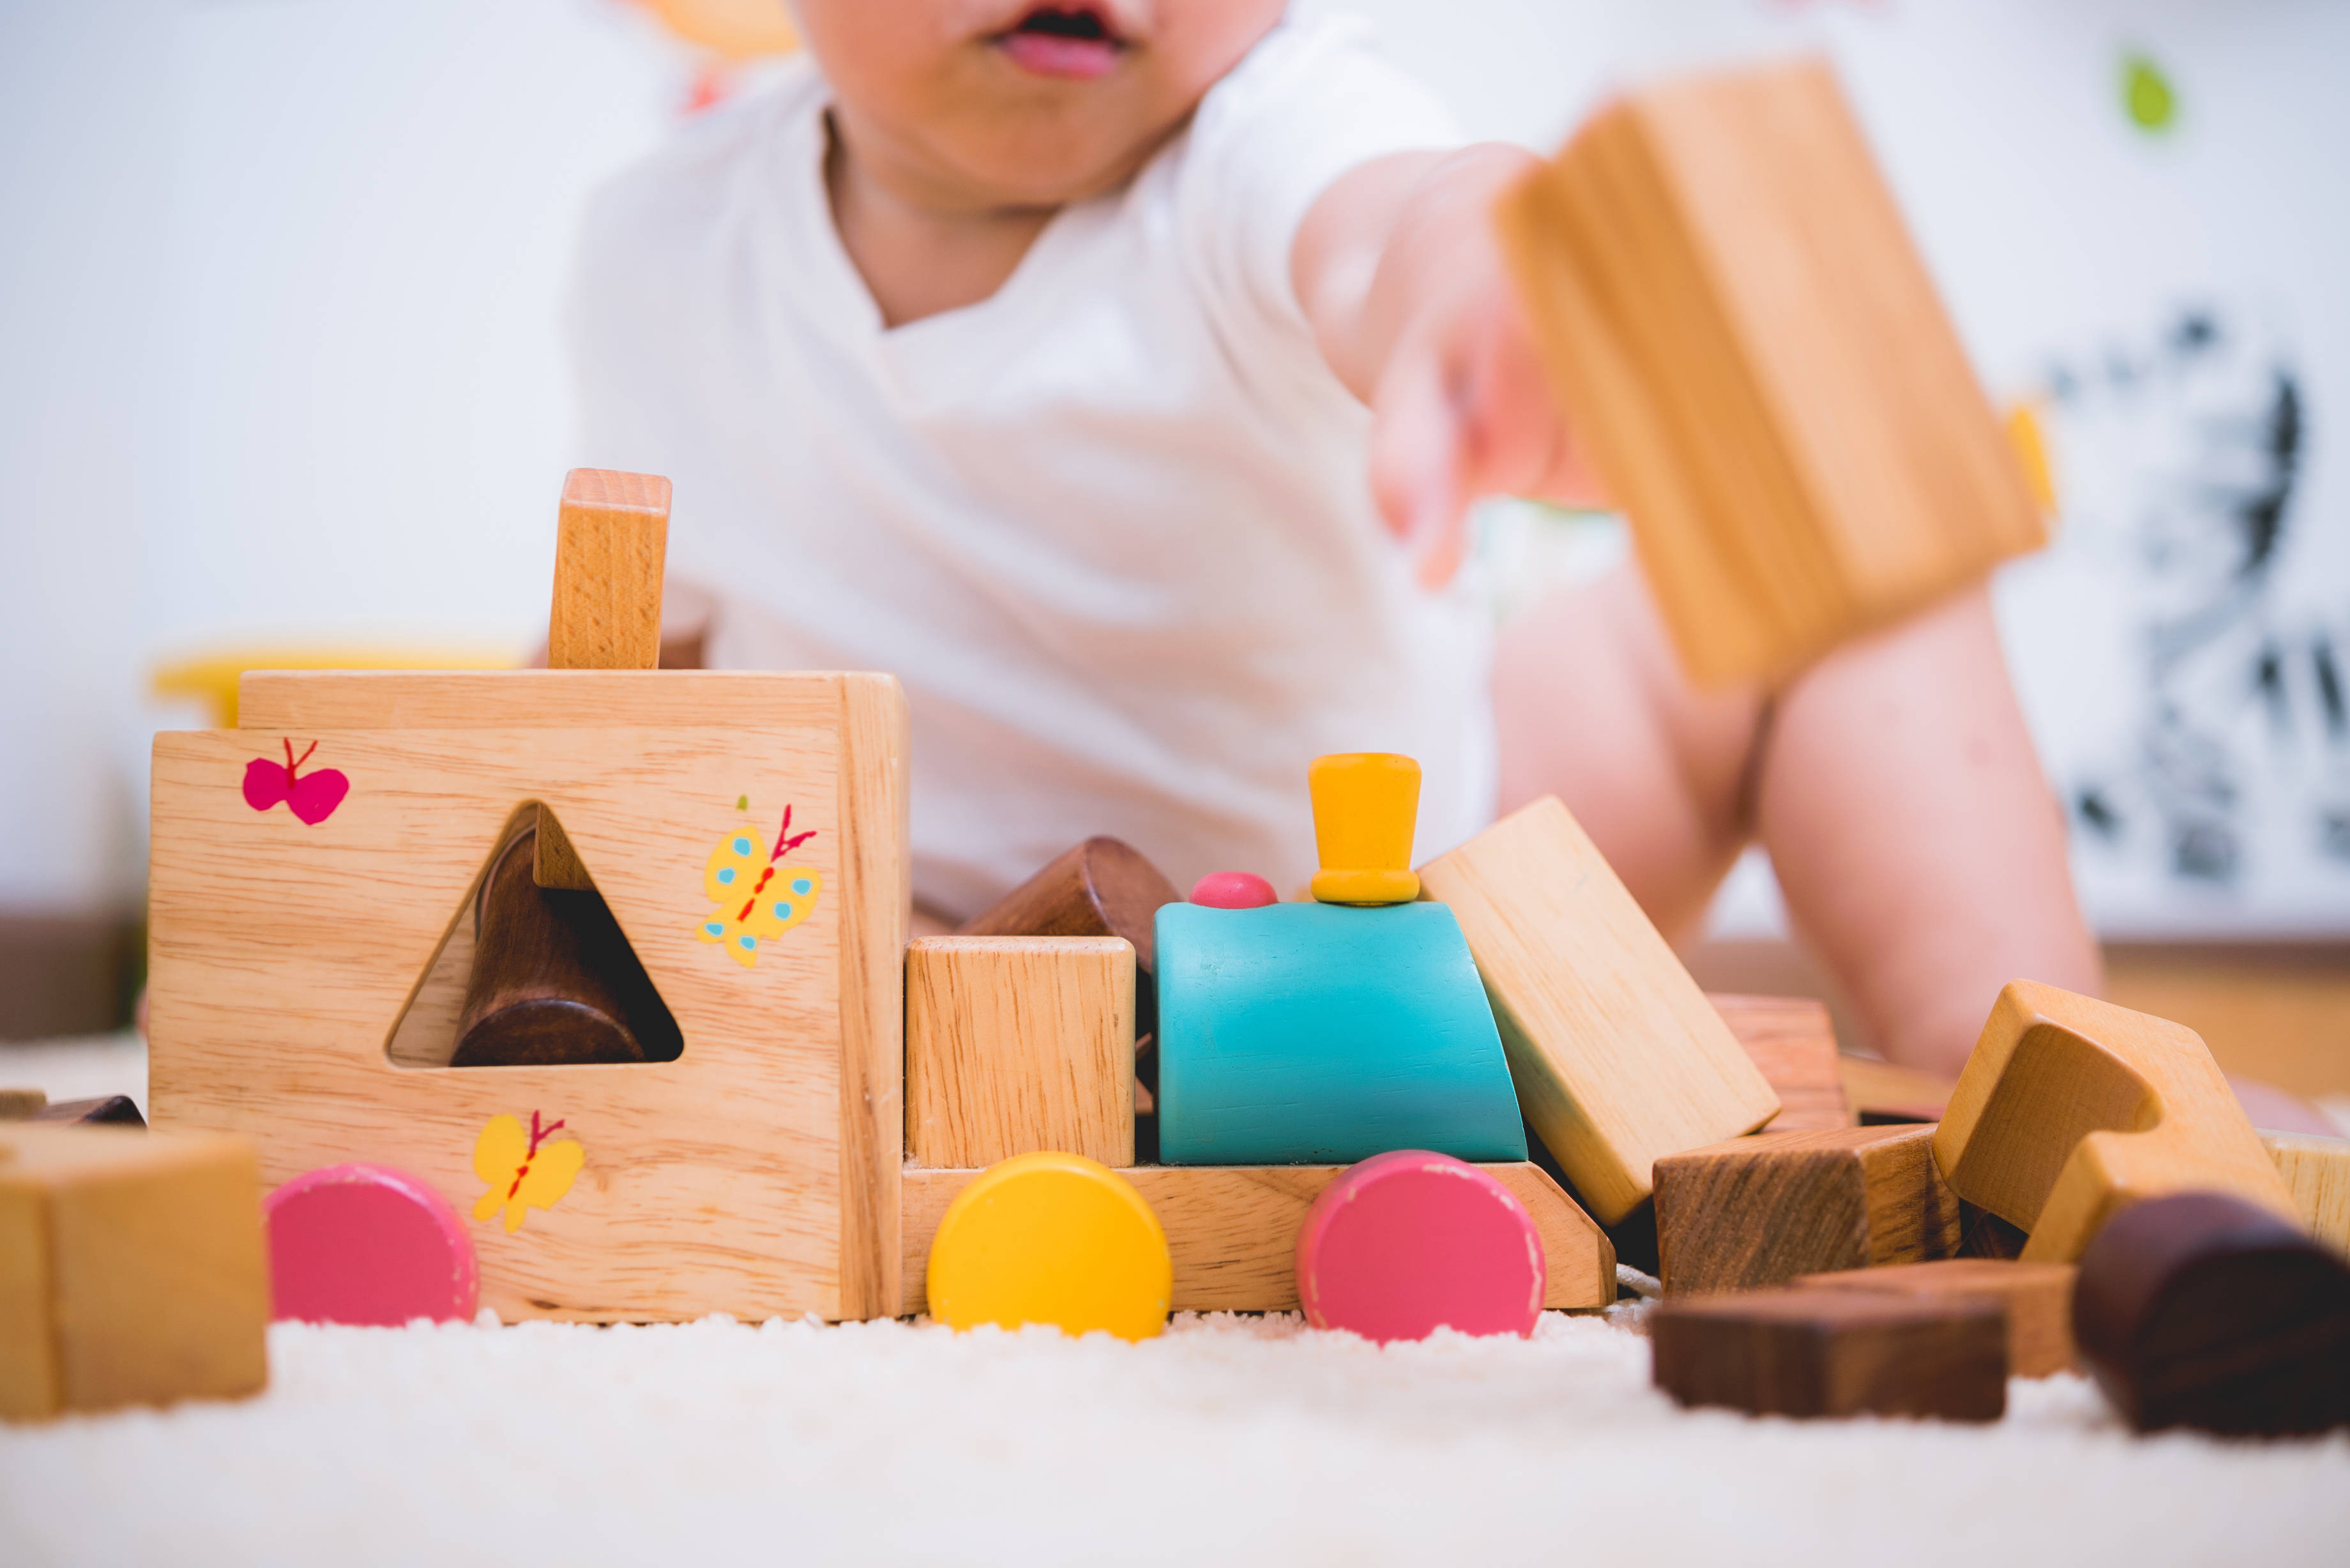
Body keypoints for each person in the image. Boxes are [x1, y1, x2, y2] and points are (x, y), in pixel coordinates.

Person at [567, 0, 2330, 1128]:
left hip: (1433, 916)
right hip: (963, 978)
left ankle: (2029, 1076)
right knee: (716, 873)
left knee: (1842, 590)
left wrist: (1496, 292)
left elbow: (1404, 219)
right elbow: (644, 643)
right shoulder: (655, 252)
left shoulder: (1259, 143)